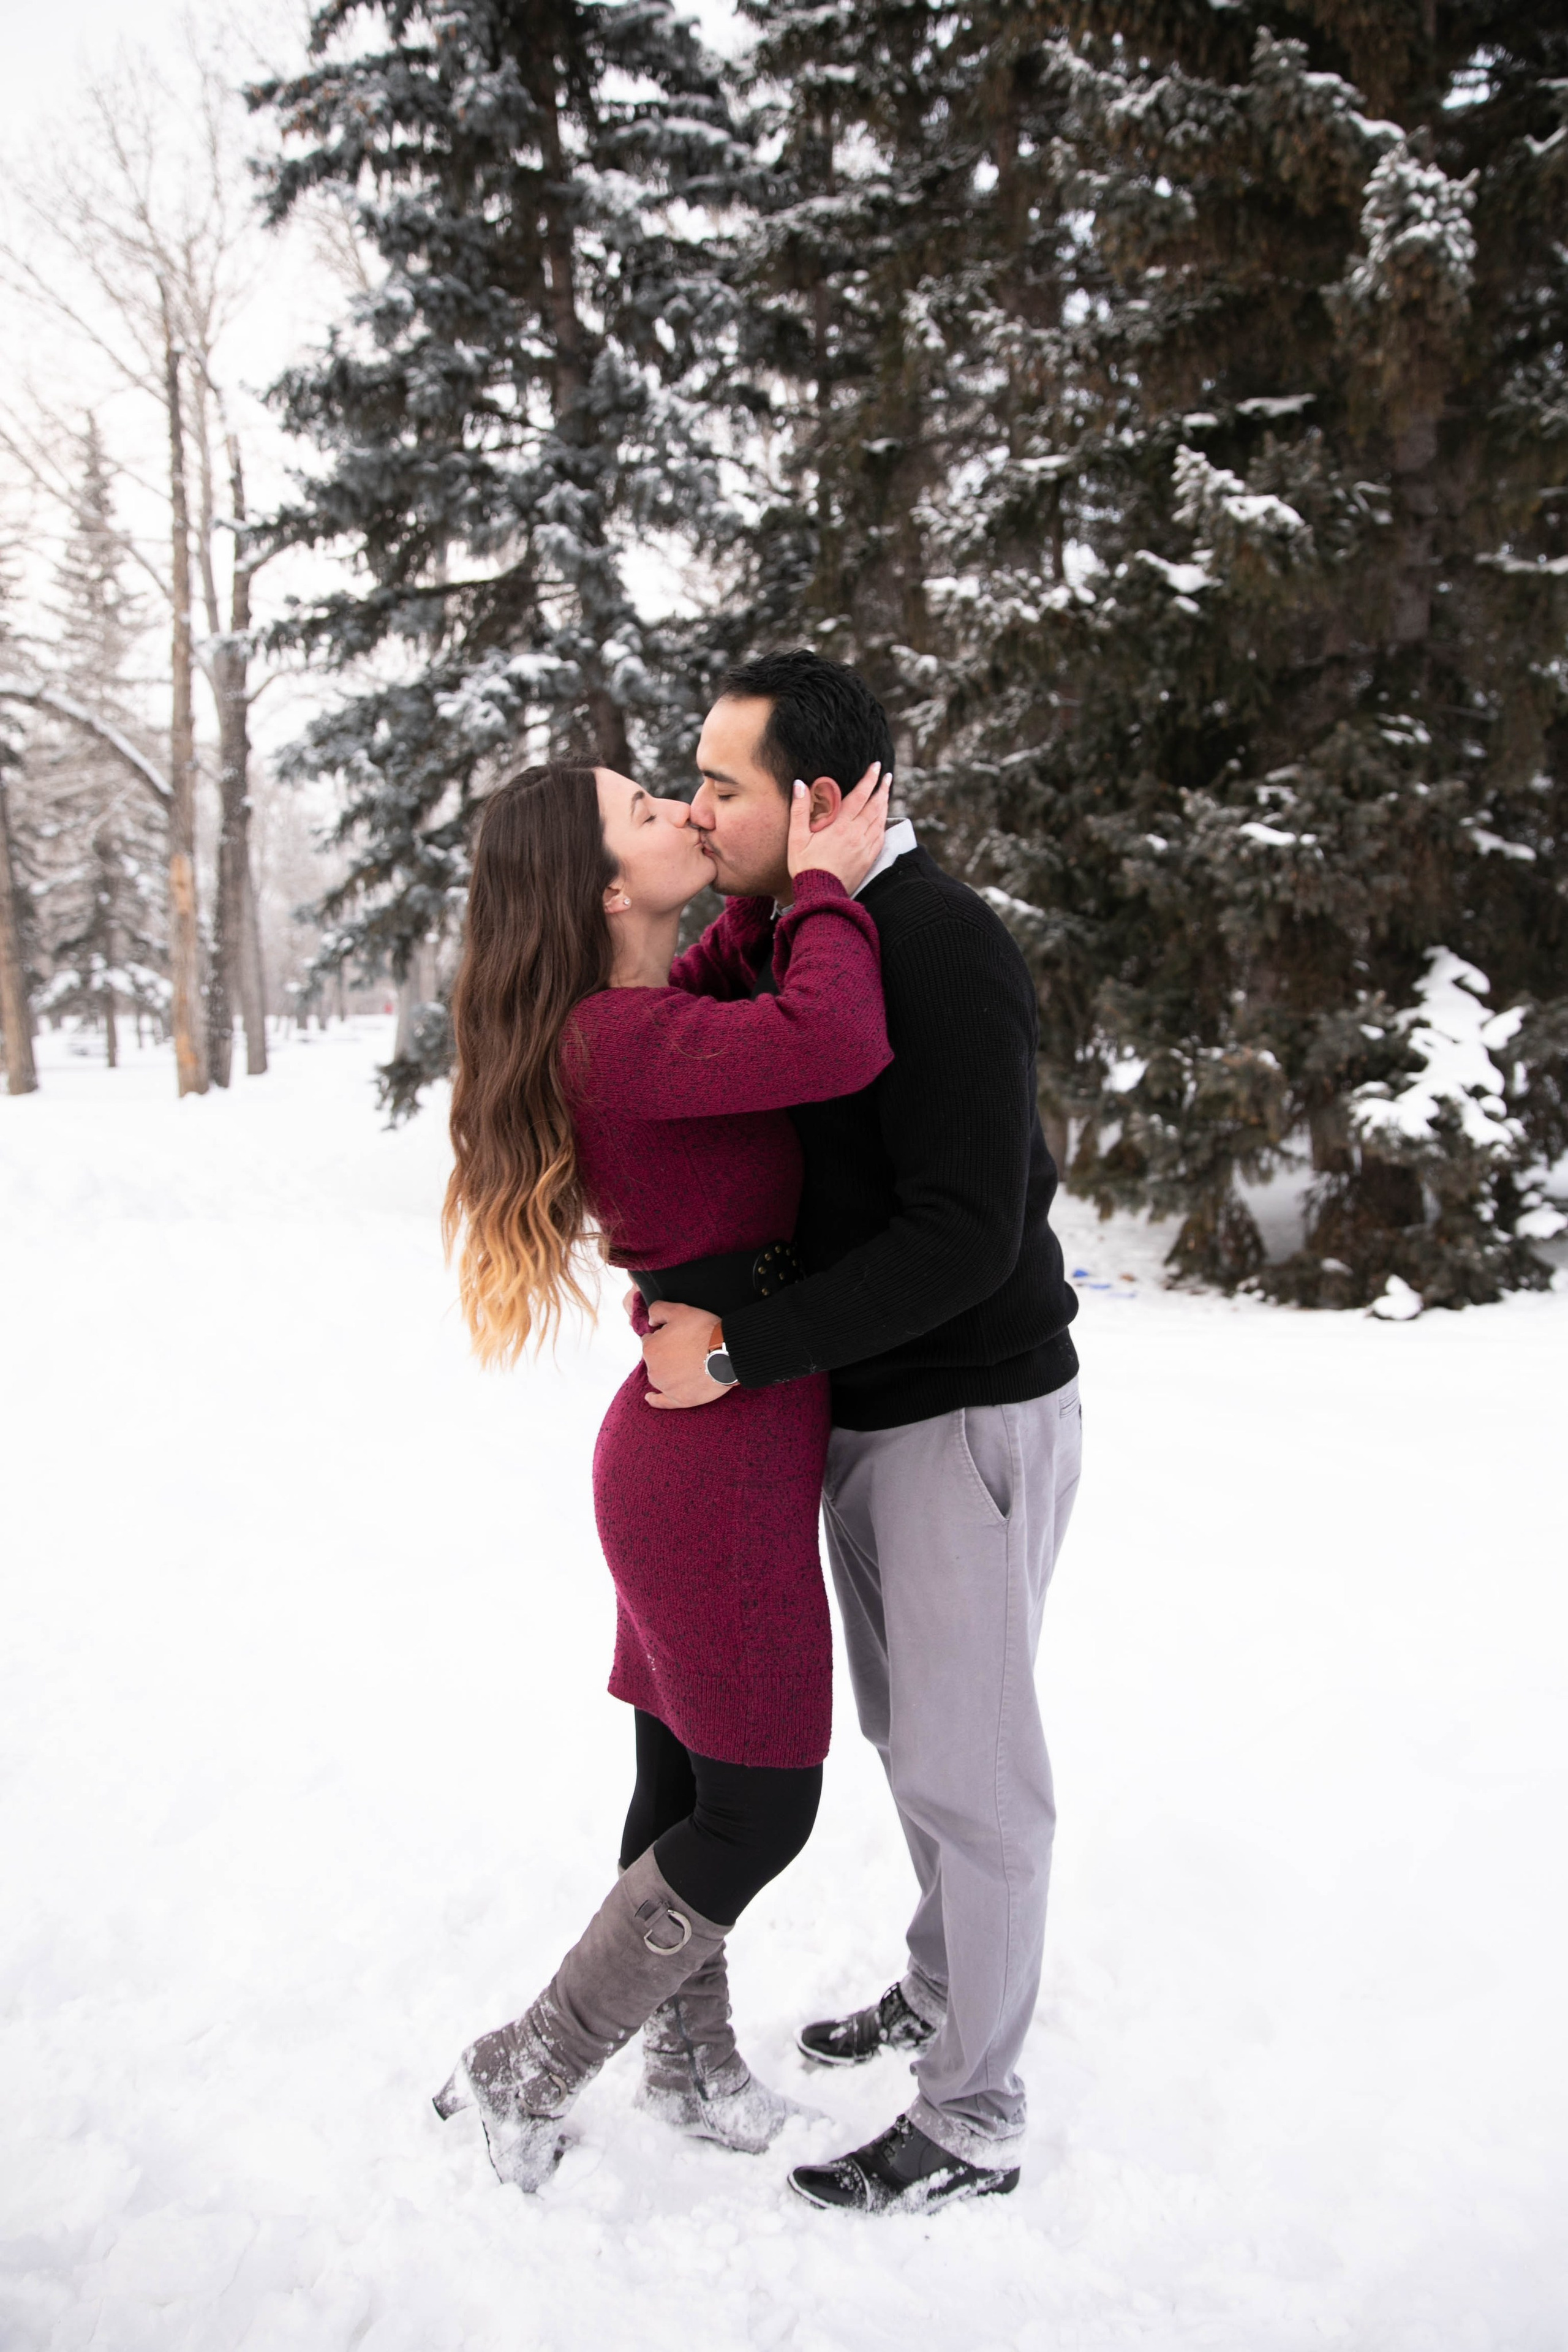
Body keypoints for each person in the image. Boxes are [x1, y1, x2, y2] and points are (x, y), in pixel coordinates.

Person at [641, 650, 1084, 2216]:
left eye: (721, 785)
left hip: (962, 1412)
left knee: (976, 1772)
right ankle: (940, 1981)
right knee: (918, 1743)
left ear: (815, 803)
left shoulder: (939, 945)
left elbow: (968, 1231)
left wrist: (751, 1350)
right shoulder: (797, 936)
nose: (696, 809)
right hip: (873, 1412)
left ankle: (973, 2115)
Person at [434, 753, 892, 2192]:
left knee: (685, 1774)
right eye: (650, 811)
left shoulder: (645, 1008)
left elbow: (736, 967)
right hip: (711, 1467)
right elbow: (831, 1038)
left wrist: (776, 867)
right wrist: (826, 881)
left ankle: (689, 2064)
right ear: (605, 888)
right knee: (760, 1804)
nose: (684, 813)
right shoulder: (622, 1040)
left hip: (691, 1440)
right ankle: (534, 2057)